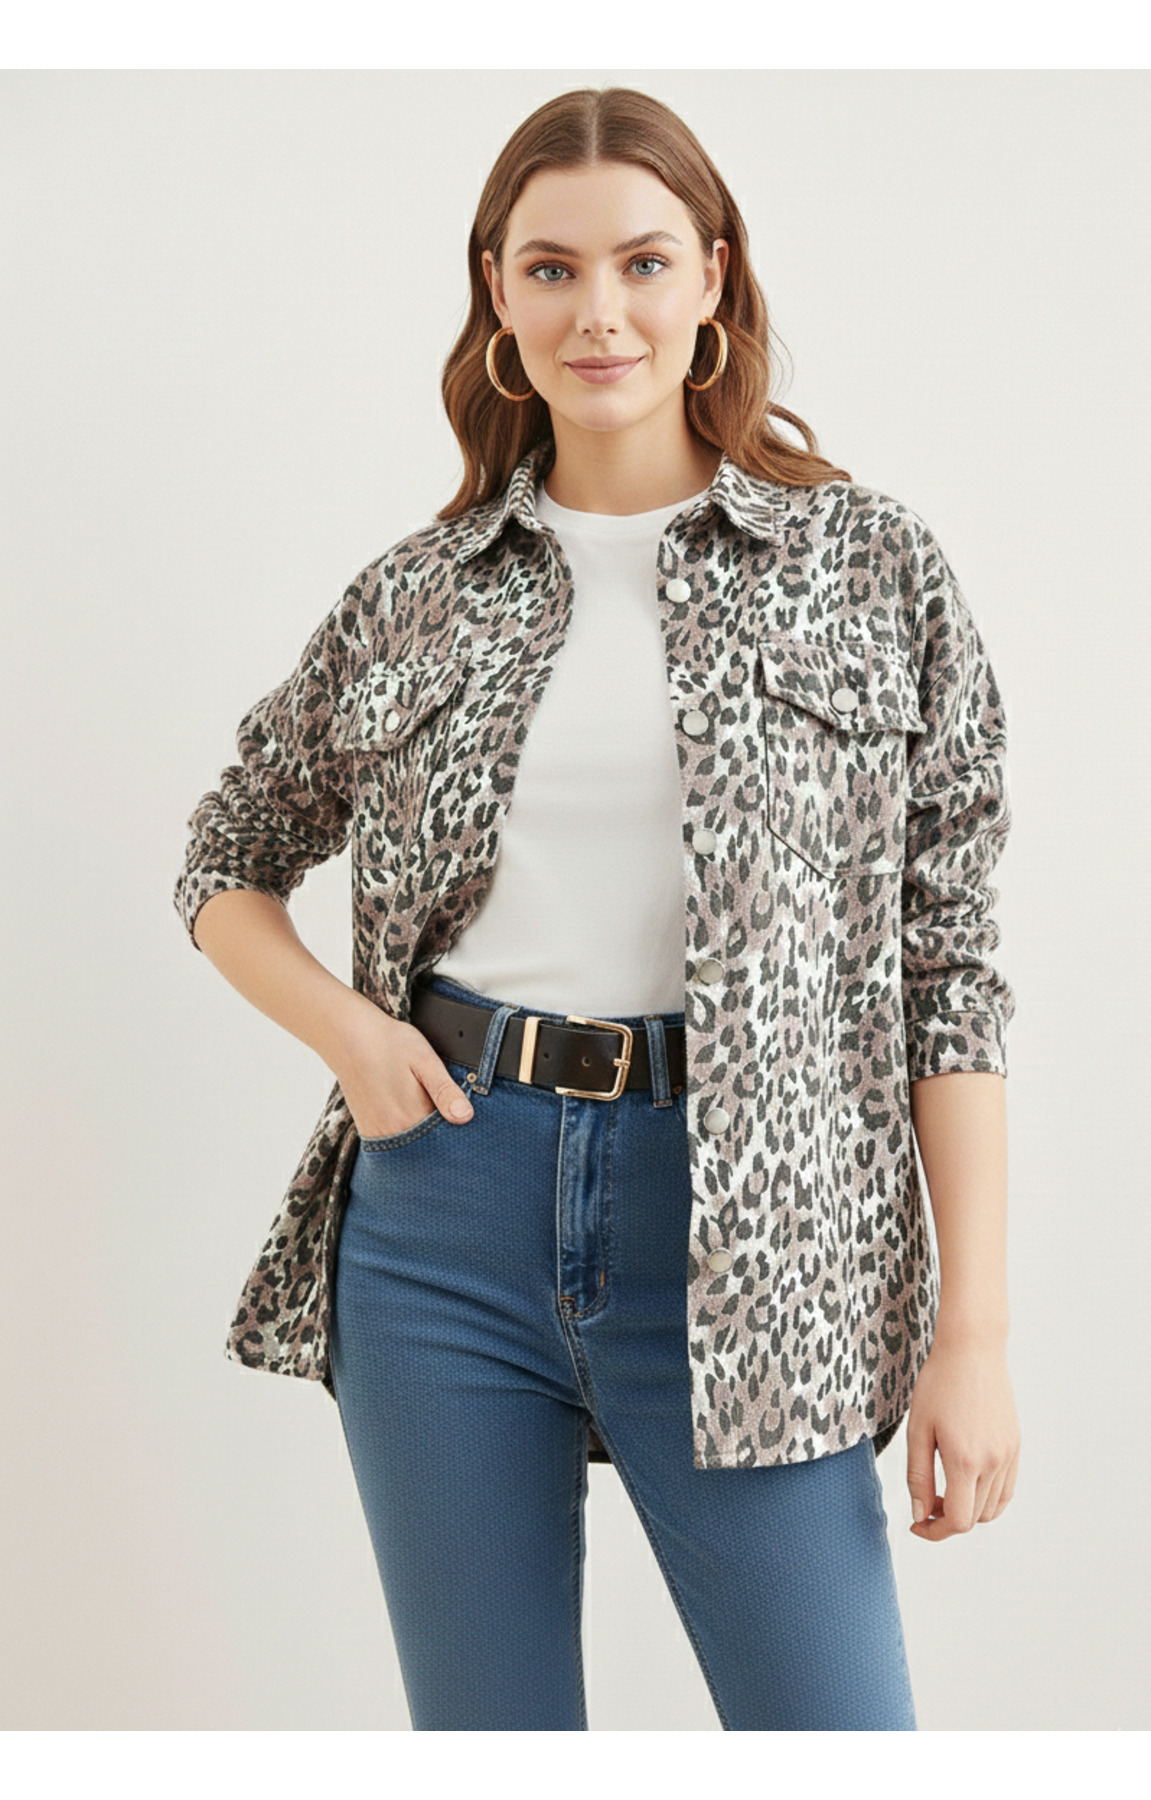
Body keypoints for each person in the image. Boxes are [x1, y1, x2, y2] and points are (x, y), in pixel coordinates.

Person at [174, 85, 1021, 1731]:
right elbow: (226, 856)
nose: (600, 313)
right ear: (497, 294)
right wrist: (350, 1034)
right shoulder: (417, 595)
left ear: (714, 279)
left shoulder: (870, 569)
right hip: (444, 1213)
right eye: (551, 269)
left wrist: (972, 1337)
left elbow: (952, 972)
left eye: (642, 262)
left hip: (760, 1230)